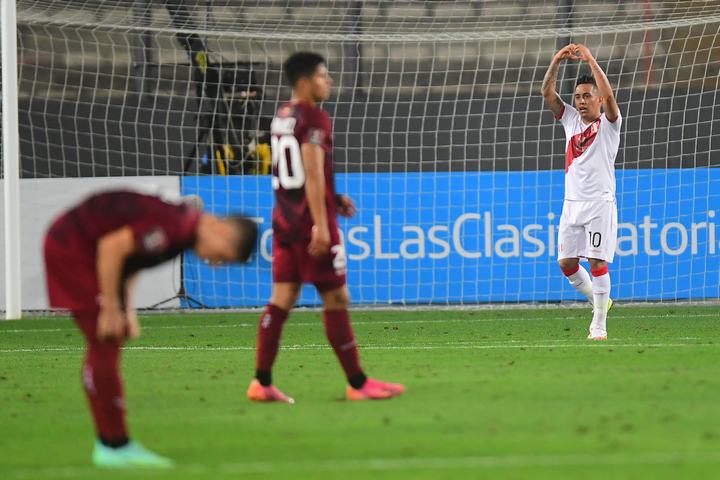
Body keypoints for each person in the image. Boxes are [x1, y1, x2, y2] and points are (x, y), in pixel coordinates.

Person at [43, 190, 257, 468]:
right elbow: (112, 247)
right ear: (223, 231)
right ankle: (113, 445)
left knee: (111, 339)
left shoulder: (183, 230)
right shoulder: (177, 226)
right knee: (104, 341)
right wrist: (110, 307)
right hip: (72, 247)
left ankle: (114, 443)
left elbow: (131, 261)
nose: (215, 264)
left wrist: (127, 310)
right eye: (223, 257)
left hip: (81, 246)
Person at [246, 52, 405, 403]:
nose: (329, 80)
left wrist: (333, 198)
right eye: (322, 75)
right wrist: (321, 223)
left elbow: (297, 173)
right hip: (308, 223)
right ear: (304, 81)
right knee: (336, 297)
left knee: (282, 297)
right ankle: (358, 383)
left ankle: (261, 381)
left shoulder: (282, 116)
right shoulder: (315, 117)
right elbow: (312, 171)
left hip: (284, 220)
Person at [541, 44, 621, 340]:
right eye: (578, 96)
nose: (582, 101)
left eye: (587, 96)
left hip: (599, 203)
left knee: (597, 262)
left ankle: (599, 324)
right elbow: (547, 93)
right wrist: (556, 60)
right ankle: (602, 301)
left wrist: (589, 59)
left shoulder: (610, 124)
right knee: (566, 263)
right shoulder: (570, 119)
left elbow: (610, 97)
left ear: (598, 99)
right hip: (572, 204)